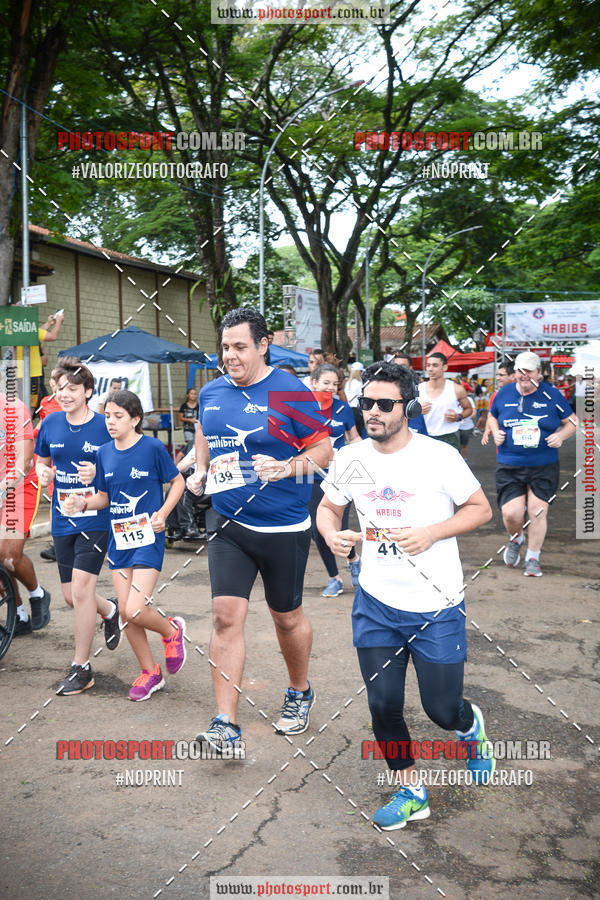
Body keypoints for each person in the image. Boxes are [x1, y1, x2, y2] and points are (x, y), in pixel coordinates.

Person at [316, 361, 494, 830]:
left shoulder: (439, 456)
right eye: (366, 403)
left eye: (384, 404)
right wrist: (334, 535)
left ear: (408, 408)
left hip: (436, 605)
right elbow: (327, 509)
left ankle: (468, 725)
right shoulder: (352, 458)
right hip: (376, 603)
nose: (371, 412)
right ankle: (412, 789)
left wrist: (432, 532)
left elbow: (480, 509)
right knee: (382, 706)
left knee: (440, 710)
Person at [187, 307, 332, 750]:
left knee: (285, 618)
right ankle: (225, 725)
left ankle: (299, 691)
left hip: (283, 526)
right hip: (228, 522)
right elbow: (206, 433)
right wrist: (199, 469)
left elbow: (324, 450)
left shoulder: (289, 390)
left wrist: (289, 467)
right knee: (225, 616)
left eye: (240, 347)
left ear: (263, 345)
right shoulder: (211, 393)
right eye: (225, 347)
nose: (230, 356)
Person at [65, 390, 187, 701]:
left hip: (147, 537)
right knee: (125, 614)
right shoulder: (104, 453)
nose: (111, 422)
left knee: (134, 609)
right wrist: (82, 503)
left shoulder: (152, 448)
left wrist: (163, 513)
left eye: (118, 416)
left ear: (135, 419)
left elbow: (178, 482)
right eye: (107, 416)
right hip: (119, 539)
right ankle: (150, 672)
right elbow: (104, 497)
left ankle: (172, 631)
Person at [35, 357, 119, 695]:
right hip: (61, 518)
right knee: (72, 597)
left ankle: (81, 667)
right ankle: (111, 609)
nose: (64, 394)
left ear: (87, 391)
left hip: (95, 518)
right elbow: (42, 463)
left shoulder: (104, 426)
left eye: (71, 388)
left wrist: (97, 475)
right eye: (59, 388)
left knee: (83, 592)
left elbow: (121, 468)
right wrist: (44, 473)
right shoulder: (51, 424)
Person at [487, 351, 577, 577]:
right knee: (511, 514)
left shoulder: (552, 395)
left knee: (537, 511)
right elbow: (492, 416)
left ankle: (533, 558)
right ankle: (516, 538)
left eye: (529, 371)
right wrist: (496, 431)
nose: (524, 375)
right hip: (510, 463)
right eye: (519, 371)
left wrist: (561, 437)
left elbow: (572, 422)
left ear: (539, 372)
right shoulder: (503, 394)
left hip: (543, 464)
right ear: (515, 372)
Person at [0, 388, 51, 636]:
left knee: (8, 554)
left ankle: (38, 593)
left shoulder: (12, 408)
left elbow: (25, 460)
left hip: (19, 485)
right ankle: (18, 614)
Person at [308, 363, 362, 596]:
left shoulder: (343, 409)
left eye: (334, 384)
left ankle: (352, 559)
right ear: (314, 383)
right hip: (309, 476)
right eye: (325, 383)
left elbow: (354, 438)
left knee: (337, 525)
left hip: (341, 475)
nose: (330, 387)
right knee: (318, 529)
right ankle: (335, 578)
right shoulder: (300, 409)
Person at [418, 352, 472, 450]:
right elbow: (406, 414)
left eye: (435, 365)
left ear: (444, 367)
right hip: (424, 437)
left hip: (449, 437)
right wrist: (418, 411)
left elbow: (469, 409)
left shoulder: (457, 389)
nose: (430, 369)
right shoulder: (418, 389)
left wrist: (458, 417)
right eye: (428, 365)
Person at [17, 311, 64, 413]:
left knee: (19, 405)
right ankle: (26, 427)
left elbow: (36, 333)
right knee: (31, 407)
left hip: (17, 373)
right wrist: (58, 321)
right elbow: (53, 336)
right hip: (33, 373)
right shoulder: (33, 331)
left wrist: (48, 324)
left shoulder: (16, 330)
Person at [392, 353, 428, 436]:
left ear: (410, 368)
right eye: (395, 366)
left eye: (403, 366)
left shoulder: (417, 390)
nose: (398, 369)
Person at [481, 361, 515, 445]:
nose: (497, 378)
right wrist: (487, 429)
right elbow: (491, 415)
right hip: (503, 446)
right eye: (497, 375)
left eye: (501, 375)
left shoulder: (527, 393)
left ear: (513, 376)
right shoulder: (495, 395)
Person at [458, 393, 476, 459]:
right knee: (455, 445)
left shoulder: (469, 399)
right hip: (454, 427)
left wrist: (473, 414)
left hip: (466, 426)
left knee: (464, 445)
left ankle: (464, 459)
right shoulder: (451, 398)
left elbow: (473, 409)